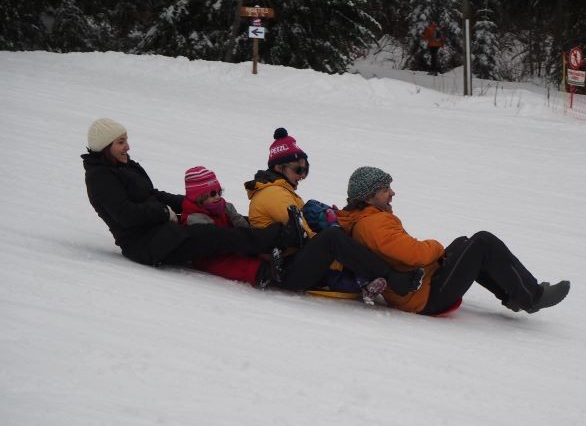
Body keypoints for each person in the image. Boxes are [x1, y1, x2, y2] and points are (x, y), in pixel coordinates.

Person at [336, 166, 571, 316]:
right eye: (386, 189)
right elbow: (416, 254)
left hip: (417, 285)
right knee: (483, 243)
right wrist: (436, 247)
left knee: (463, 244)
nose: (393, 193)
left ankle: (512, 295)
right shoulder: (373, 224)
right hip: (423, 296)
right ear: (368, 196)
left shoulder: (365, 219)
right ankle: (533, 297)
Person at [82, 118, 304, 268]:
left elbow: (153, 193)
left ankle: (278, 237)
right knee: (215, 235)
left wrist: (193, 202)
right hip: (147, 246)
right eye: (121, 142)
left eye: (126, 141)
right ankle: (279, 240)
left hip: (162, 232)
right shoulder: (99, 177)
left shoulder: (124, 166)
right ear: (105, 146)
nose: (128, 147)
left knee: (227, 219)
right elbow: (125, 214)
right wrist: (163, 213)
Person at [243, 128, 422, 300]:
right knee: (332, 236)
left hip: (290, 264)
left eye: (306, 169)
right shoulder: (274, 194)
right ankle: (393, 277)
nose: (302, 175)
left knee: (334, 231)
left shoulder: (282, 191)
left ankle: (389, 274)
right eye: (298, 169)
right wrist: (342, 259)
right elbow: (303, 237)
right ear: (280, 168)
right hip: (283, 273)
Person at [179, 166, 283, 287]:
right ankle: (260, 272)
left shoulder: (222, 207)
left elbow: (242, 226)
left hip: (230, 244)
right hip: (210, 255)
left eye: (219, 192)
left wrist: (234, 216)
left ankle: (272, 256)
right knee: (230, 264)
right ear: (198, 198)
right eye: (213, 193)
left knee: (249, 240)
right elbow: (215, 239)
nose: (218, 196)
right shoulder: (194, 217)